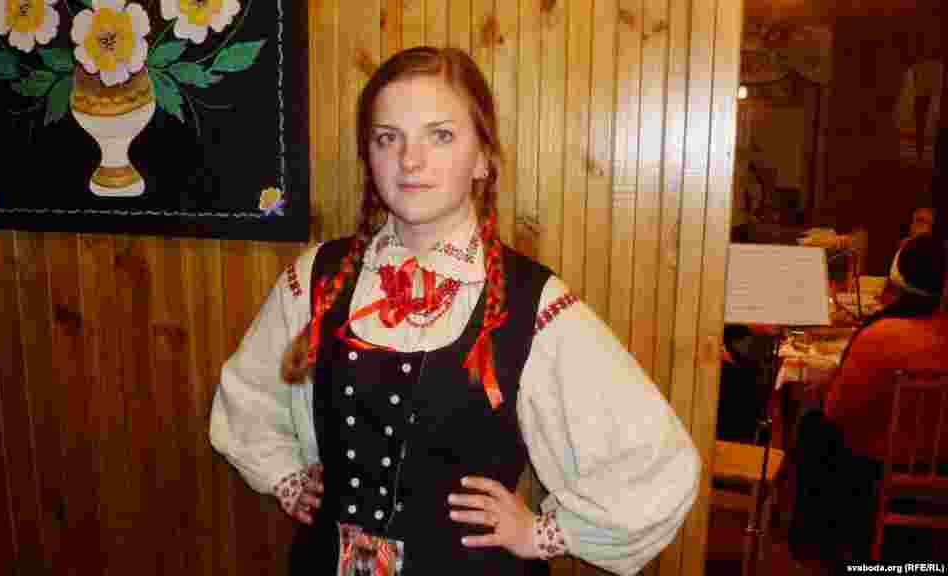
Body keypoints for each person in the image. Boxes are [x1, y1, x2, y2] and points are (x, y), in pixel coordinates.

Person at [209, 46, 700, 575]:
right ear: (368, 155)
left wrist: (542, 533)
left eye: (440, 135)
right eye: (387, 137)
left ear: (483, 157)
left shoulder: (533, 304)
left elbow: (655, 460)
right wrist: (286, 478)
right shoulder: (318, 278)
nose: (410, 160)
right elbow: (248, 396)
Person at [792, 234, 948, 562]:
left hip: (875, 468)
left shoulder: (880, 336)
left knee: (814, 426)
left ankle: (817, 544)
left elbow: (837, 412)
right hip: (939, 467)